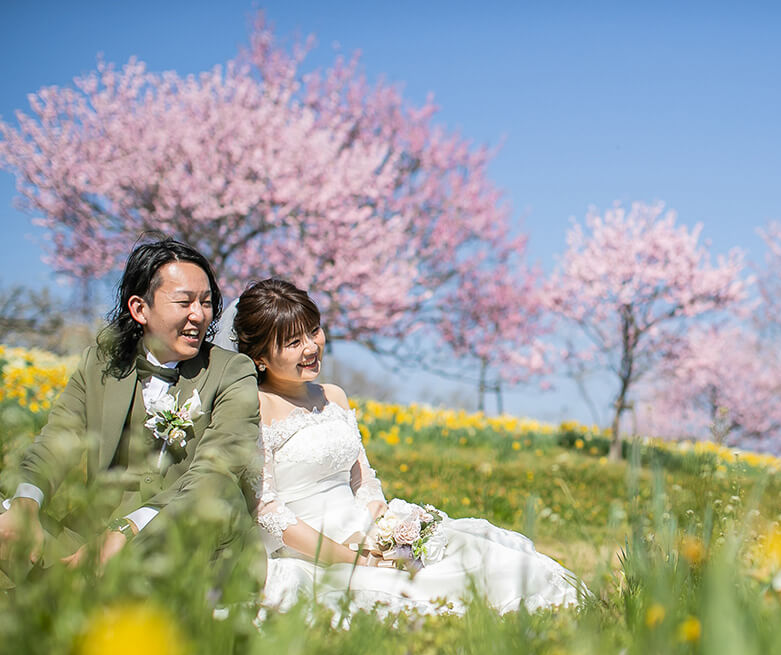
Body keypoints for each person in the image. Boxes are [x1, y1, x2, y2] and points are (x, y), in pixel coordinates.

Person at [233, 279, 583, 615]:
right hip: (313, 547)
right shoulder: (258, 406)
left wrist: (380, 527)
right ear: (260, 357)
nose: (311, 347)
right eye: (293, 342)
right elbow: (268, 509)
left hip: (367, 529)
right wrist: (348, 555)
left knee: (486, 557)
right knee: (424, 592)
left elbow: (362, 480)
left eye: (314, 331)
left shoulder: (333, 395)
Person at [0, 236, 263, 595]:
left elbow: (217, 471)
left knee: (219, 489)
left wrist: (128, 530)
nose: (199, 315)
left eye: (206, 302)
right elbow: (56, 441)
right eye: (184, 302)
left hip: (180, 536)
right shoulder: (100, 364)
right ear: (140, 309)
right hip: (88, 536)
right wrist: (25, 505)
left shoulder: (232, 370)